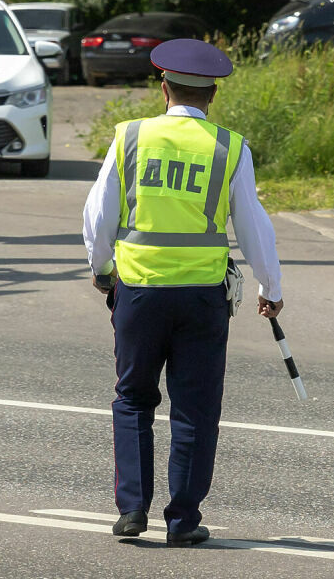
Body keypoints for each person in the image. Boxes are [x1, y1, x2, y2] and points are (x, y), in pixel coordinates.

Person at [82, 39, 284, 548]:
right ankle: (183, 521)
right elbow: (254, 225)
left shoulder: (130, 137)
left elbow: (98, 215)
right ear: (212, 94)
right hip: (201, 298)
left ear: (164, 86)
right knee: (195, 409)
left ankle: (131, 511)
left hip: (140, 291)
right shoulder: (230, 147)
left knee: (132, 399)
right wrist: (271, 287)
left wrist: (102, 269)